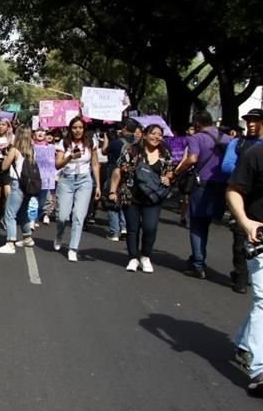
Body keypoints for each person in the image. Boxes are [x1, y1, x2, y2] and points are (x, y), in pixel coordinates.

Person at [108, 124, 175, 273]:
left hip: (153, 197)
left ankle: (145, 256)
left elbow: (170, 171)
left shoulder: (165, 153)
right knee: (132, 228)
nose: (156, 137)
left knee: (150, 228)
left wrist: (167, 178)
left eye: (159, 134)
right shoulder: (131, 150)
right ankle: (133, 257)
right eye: (153, 133)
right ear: (144, 135)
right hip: (131, 196)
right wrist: (113, 191)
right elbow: (118, 170)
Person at [173, 110, 232, 279]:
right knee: (207, 223)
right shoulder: (228, 139)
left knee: (197, 225)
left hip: (202, 187)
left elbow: (192, 158)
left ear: (197, 124)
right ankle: (198, 257)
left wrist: (176, 172)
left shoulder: (197, 138)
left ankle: (198, 263)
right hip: (222, 188)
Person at [225, 141, 263, 395]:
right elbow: (234, 190)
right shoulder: (256, 154)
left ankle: (244, 342)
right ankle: (260, 370)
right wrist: (246, 223)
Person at [221, 108, 263, 293]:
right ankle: (240, 276)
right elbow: (227, 166)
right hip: (245, 201)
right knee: (240, 240)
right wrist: (246, 172)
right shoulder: (239, 144)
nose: (251, 124)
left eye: (256, 121)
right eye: (248, 121)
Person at [54, 116, 101, 261]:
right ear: (70, 129)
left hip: (84, 181)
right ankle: (59, 235)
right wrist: (70, 157)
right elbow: (58, 164)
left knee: (79, 216)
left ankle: (73, 248)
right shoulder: (64, 143)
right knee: (62, 216)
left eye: (80, 127)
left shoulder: (90, 142)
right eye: (74, 127)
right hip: (66, 180)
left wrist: (98, 185)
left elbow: (95, 164)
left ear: (84, 129)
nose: (77, 130)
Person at [0, 128, 38, 253]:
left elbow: (4, 166)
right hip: (28, 185)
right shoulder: (32, 151)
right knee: (23, 212)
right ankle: (27, 237)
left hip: (17, 184)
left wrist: (7, 155)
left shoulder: (14, 150)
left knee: (10, 214)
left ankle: (10, 243)